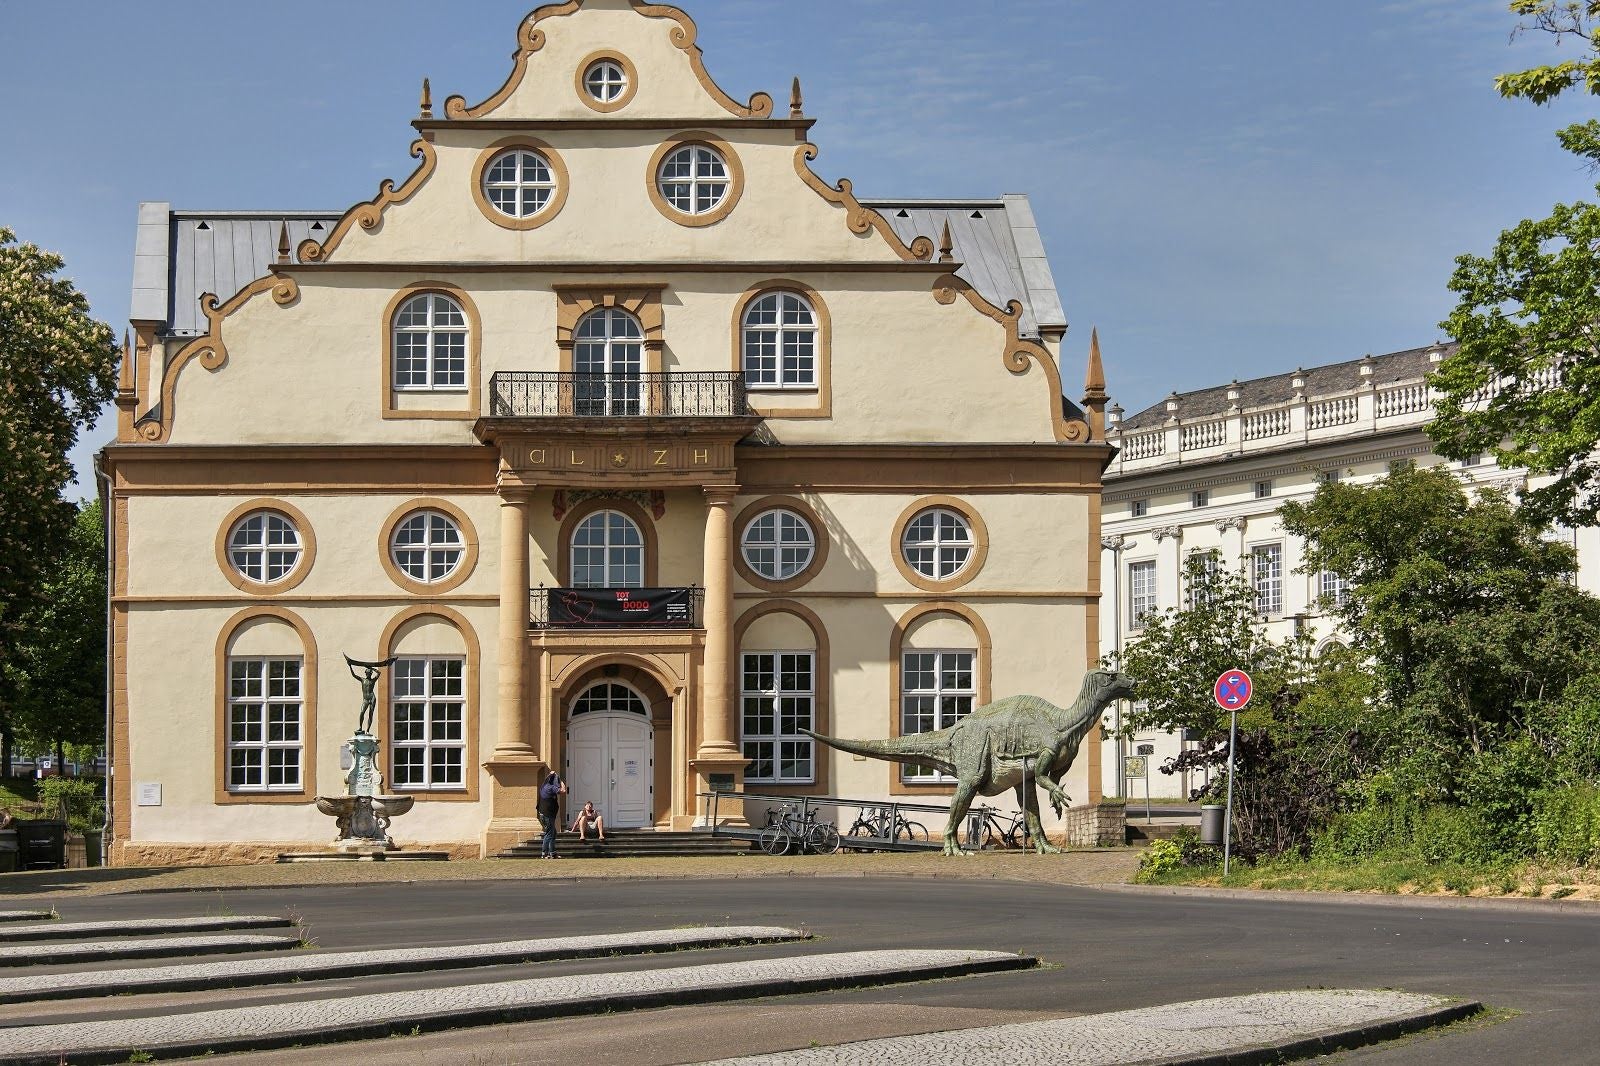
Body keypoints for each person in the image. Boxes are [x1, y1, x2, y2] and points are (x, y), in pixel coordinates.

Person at [536, 771, 567, 859]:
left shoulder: (544, 786)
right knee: (549, 833)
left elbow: (547, 778)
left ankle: (552, 853)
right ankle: (544, 854)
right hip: (548, 815)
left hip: (543, 814)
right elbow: (563, 791)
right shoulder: (551, 787)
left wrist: (551, 774)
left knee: (552, 833)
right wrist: (561, 781)